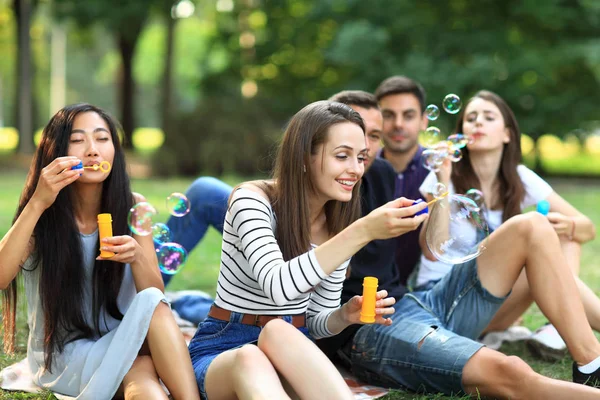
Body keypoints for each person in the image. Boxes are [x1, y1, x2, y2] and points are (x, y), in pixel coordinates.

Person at [318, 90, 600, 399]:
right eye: (349, 143)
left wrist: (570, 227)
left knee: (532, 224)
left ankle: (590, 363)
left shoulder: (381, 173)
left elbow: (586, 229)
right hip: (366, 325)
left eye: (373, 137)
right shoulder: (303, 196)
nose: (365, 152)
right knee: (511, 370)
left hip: (417, 304)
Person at [187, 100, 429, 400]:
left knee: (279, 331)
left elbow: (314, 321)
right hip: (225, 348)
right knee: (252, 355)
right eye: (342, 156)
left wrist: (343, 315)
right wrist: (364, 229)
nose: (355, 170)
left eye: (361, 157)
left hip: (287, 347)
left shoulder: (339, 224)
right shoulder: (251, 201)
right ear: (303, 157)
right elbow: (278, 287)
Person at [0, 104, 200, 399]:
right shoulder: (43, 216)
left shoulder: (133, 204)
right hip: (63, 356)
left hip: (123, 340)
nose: (92, 150)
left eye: (102, 139)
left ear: (115, 151)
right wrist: (38, 201)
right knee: (142, 366)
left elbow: (154, 298)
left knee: (145, 376)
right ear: (56, 152)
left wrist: (138, 256)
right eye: (78, 140)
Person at [416, 90, 598, 359]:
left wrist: (565, 227)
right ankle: (567, 333)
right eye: (471, 118)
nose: (477, 123)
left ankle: (556, 328)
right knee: (537, 245)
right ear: (462, 131)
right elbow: (432, 250)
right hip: (442, 303)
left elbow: (587, 229)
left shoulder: (519, 177)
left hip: (489, 305)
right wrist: (443, 178)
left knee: (565, 235)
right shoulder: (444, 174)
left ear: (507, 134)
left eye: (488, 117)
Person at [374, 76, 432, 285]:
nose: (398, 124)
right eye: (388, 115)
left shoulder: (440, 171)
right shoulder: (359, 170)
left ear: (424, 121)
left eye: (408, 116)